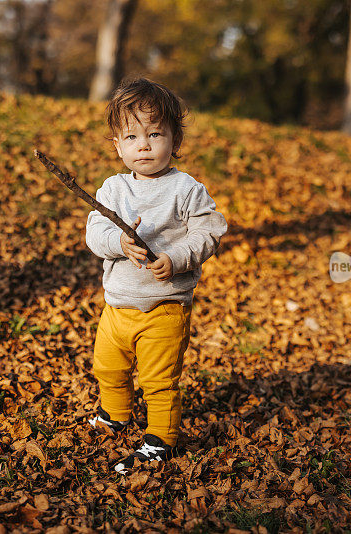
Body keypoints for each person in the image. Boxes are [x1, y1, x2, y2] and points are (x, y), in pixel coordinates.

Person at [84, 76, 228, 474]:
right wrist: (118, 242)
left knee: (158, 378)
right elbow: (95, 232)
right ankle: (116, 414)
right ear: (117, 145)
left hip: (165, 307)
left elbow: (210, 229)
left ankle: (161, 439)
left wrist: (177, 257)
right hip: (118, 306)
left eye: (154, 134)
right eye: (131, 136)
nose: (143, 145)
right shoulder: (113, 189)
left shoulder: (185, 188)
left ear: (174, 140)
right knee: (108, 367)